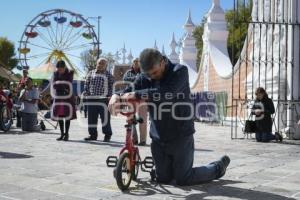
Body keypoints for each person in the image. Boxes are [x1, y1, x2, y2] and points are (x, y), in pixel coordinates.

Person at [109, 48, 230, 186]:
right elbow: (129, 90)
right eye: (149, 74)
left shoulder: (179, 71)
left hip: (181, 134)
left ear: (162, 62)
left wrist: (136, 95)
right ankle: (172, 168)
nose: (152, 77)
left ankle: (218, 167)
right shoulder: (145, 76)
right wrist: (116, 96)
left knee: (183, 179)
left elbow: (167, 92)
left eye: (155, 72)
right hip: (158, 136)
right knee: (163, 179)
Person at [84, 58, 114, 142]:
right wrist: (86, 93)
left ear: (106, 66)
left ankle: (107, 135)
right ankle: (92, 135)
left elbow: (111, 87)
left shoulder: (108, 75)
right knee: (91, 118)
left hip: (104, 100)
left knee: (105, 119)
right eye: (99, 63)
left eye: (103, 64)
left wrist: (109, 96)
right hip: (92, 99)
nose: (101, 65)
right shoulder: (91, 73)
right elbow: (86, 84)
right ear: (96, 63)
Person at [123, 58, 148, 146]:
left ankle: (143, 140)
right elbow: (125, 79)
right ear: (132, 63)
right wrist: (137, 78)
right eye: (135, 62)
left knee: (143, 119)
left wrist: (136, 79)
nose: (136, 63)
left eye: (138, 62)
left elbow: (145, 80)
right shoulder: (128, 72)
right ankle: (134, 139)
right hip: (130, 97)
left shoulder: (144, 72)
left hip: (142, 97)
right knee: (130, 119)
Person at [51, 60, 77, 141]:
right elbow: (54, 85)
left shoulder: (70, 72)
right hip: (58, 96)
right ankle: (62, 134)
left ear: (64, 67)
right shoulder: (55, 73)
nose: (59, 70)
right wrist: (61, 84)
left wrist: (60, 83)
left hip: (67, 96)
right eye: (58, 69)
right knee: (60, 116)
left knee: (67, 116)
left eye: (61, 69)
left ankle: (67, 134)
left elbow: (68, 83)